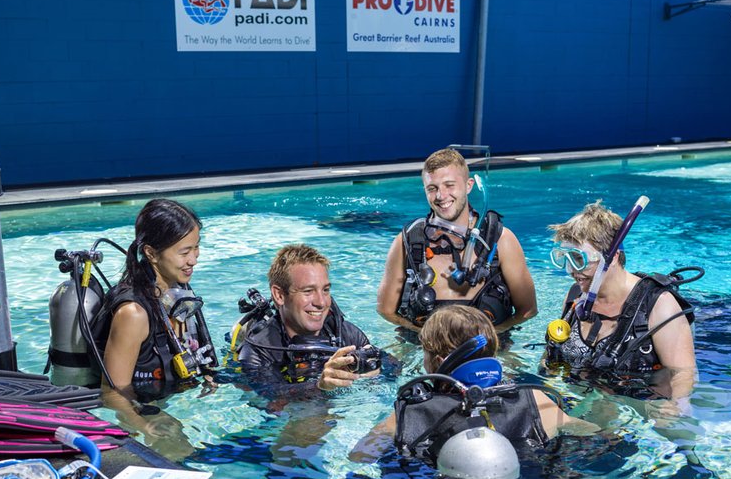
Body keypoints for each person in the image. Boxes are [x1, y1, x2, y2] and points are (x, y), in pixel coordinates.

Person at [353, 304, 594, 462]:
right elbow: (593, 435)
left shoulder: (410, 414)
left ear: (436, 361)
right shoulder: (534, 400)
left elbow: (359, 457)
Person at [544, 200, 697, 399]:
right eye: (564, 258)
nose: (572, 270)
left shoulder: (658, 305)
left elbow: (683, 374)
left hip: (635, 406)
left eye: (579, 259)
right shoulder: (575, 296)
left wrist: (673, 408)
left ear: (613, 257)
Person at [376, 147, 537, 334]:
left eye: (449, 185)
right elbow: (385, 310)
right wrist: (424, 337)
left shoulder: (500, 240)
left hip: (489, 349)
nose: (441, 196)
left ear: (468, 186)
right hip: (424, 349)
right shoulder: (409, 241)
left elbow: (528, 310)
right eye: (432, 188)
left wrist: (490, 338)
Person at [91, 198, 217, 395]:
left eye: (196, 247)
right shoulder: (133, 314)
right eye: (184, 252)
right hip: (145, 408)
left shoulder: (179, 292)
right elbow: (113, 394)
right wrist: (150, 425)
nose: (193, 260)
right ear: (151, 253)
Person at [236, 244, 378, 392]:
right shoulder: (259, 350)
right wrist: (319, 387)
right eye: (308, 291)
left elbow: (393, 368)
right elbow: (272, 399)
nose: (321, 302)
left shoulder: (345, 334)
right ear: (279, 295)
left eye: (326, 290)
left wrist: (376, 371)